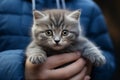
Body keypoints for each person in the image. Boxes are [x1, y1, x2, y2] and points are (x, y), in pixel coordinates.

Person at [0, 0, 115, 80]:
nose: (57, 39)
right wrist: (21, 69)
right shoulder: (3, 5)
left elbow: (105, 58)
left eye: (64, 33)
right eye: (49, 33)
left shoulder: (90, 8)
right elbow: (34, 48)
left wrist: (91, 67)